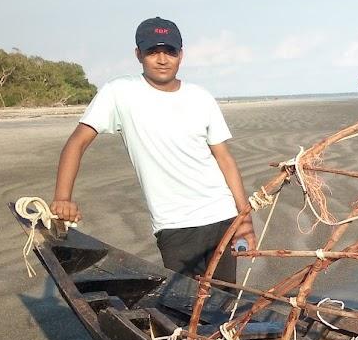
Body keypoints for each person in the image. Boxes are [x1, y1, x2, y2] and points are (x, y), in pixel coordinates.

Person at [49, 17, 255, 283]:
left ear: (180, 55)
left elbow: (224, 158)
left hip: (222, 215)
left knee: (223, 302)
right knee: (186, 304)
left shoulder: (201, 97)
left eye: (170, 51)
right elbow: (77, 142)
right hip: (173, 225)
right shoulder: (119, 92)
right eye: (152, 51)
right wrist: (63, 197)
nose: (162, 59)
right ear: (139, 54)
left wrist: (244, 218)